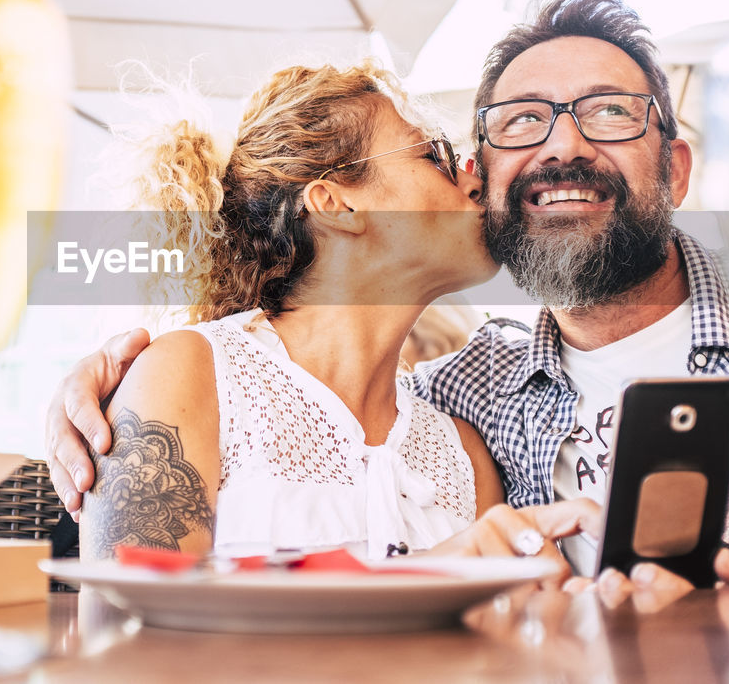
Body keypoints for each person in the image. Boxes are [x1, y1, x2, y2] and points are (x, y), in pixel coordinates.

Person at [50, 0, 729, 592]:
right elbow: (123, 642)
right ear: (336, 202)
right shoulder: (475, 396)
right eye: (521, 122)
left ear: (677, 172)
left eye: (610, 112)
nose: (561, 148)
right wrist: (110, 389)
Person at [77, 60, 598, 571]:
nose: (474, 181)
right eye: (435, 157)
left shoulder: (464, 453)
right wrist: (426, 579)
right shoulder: (190, 373)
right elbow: (123, 633)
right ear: (335, 204)